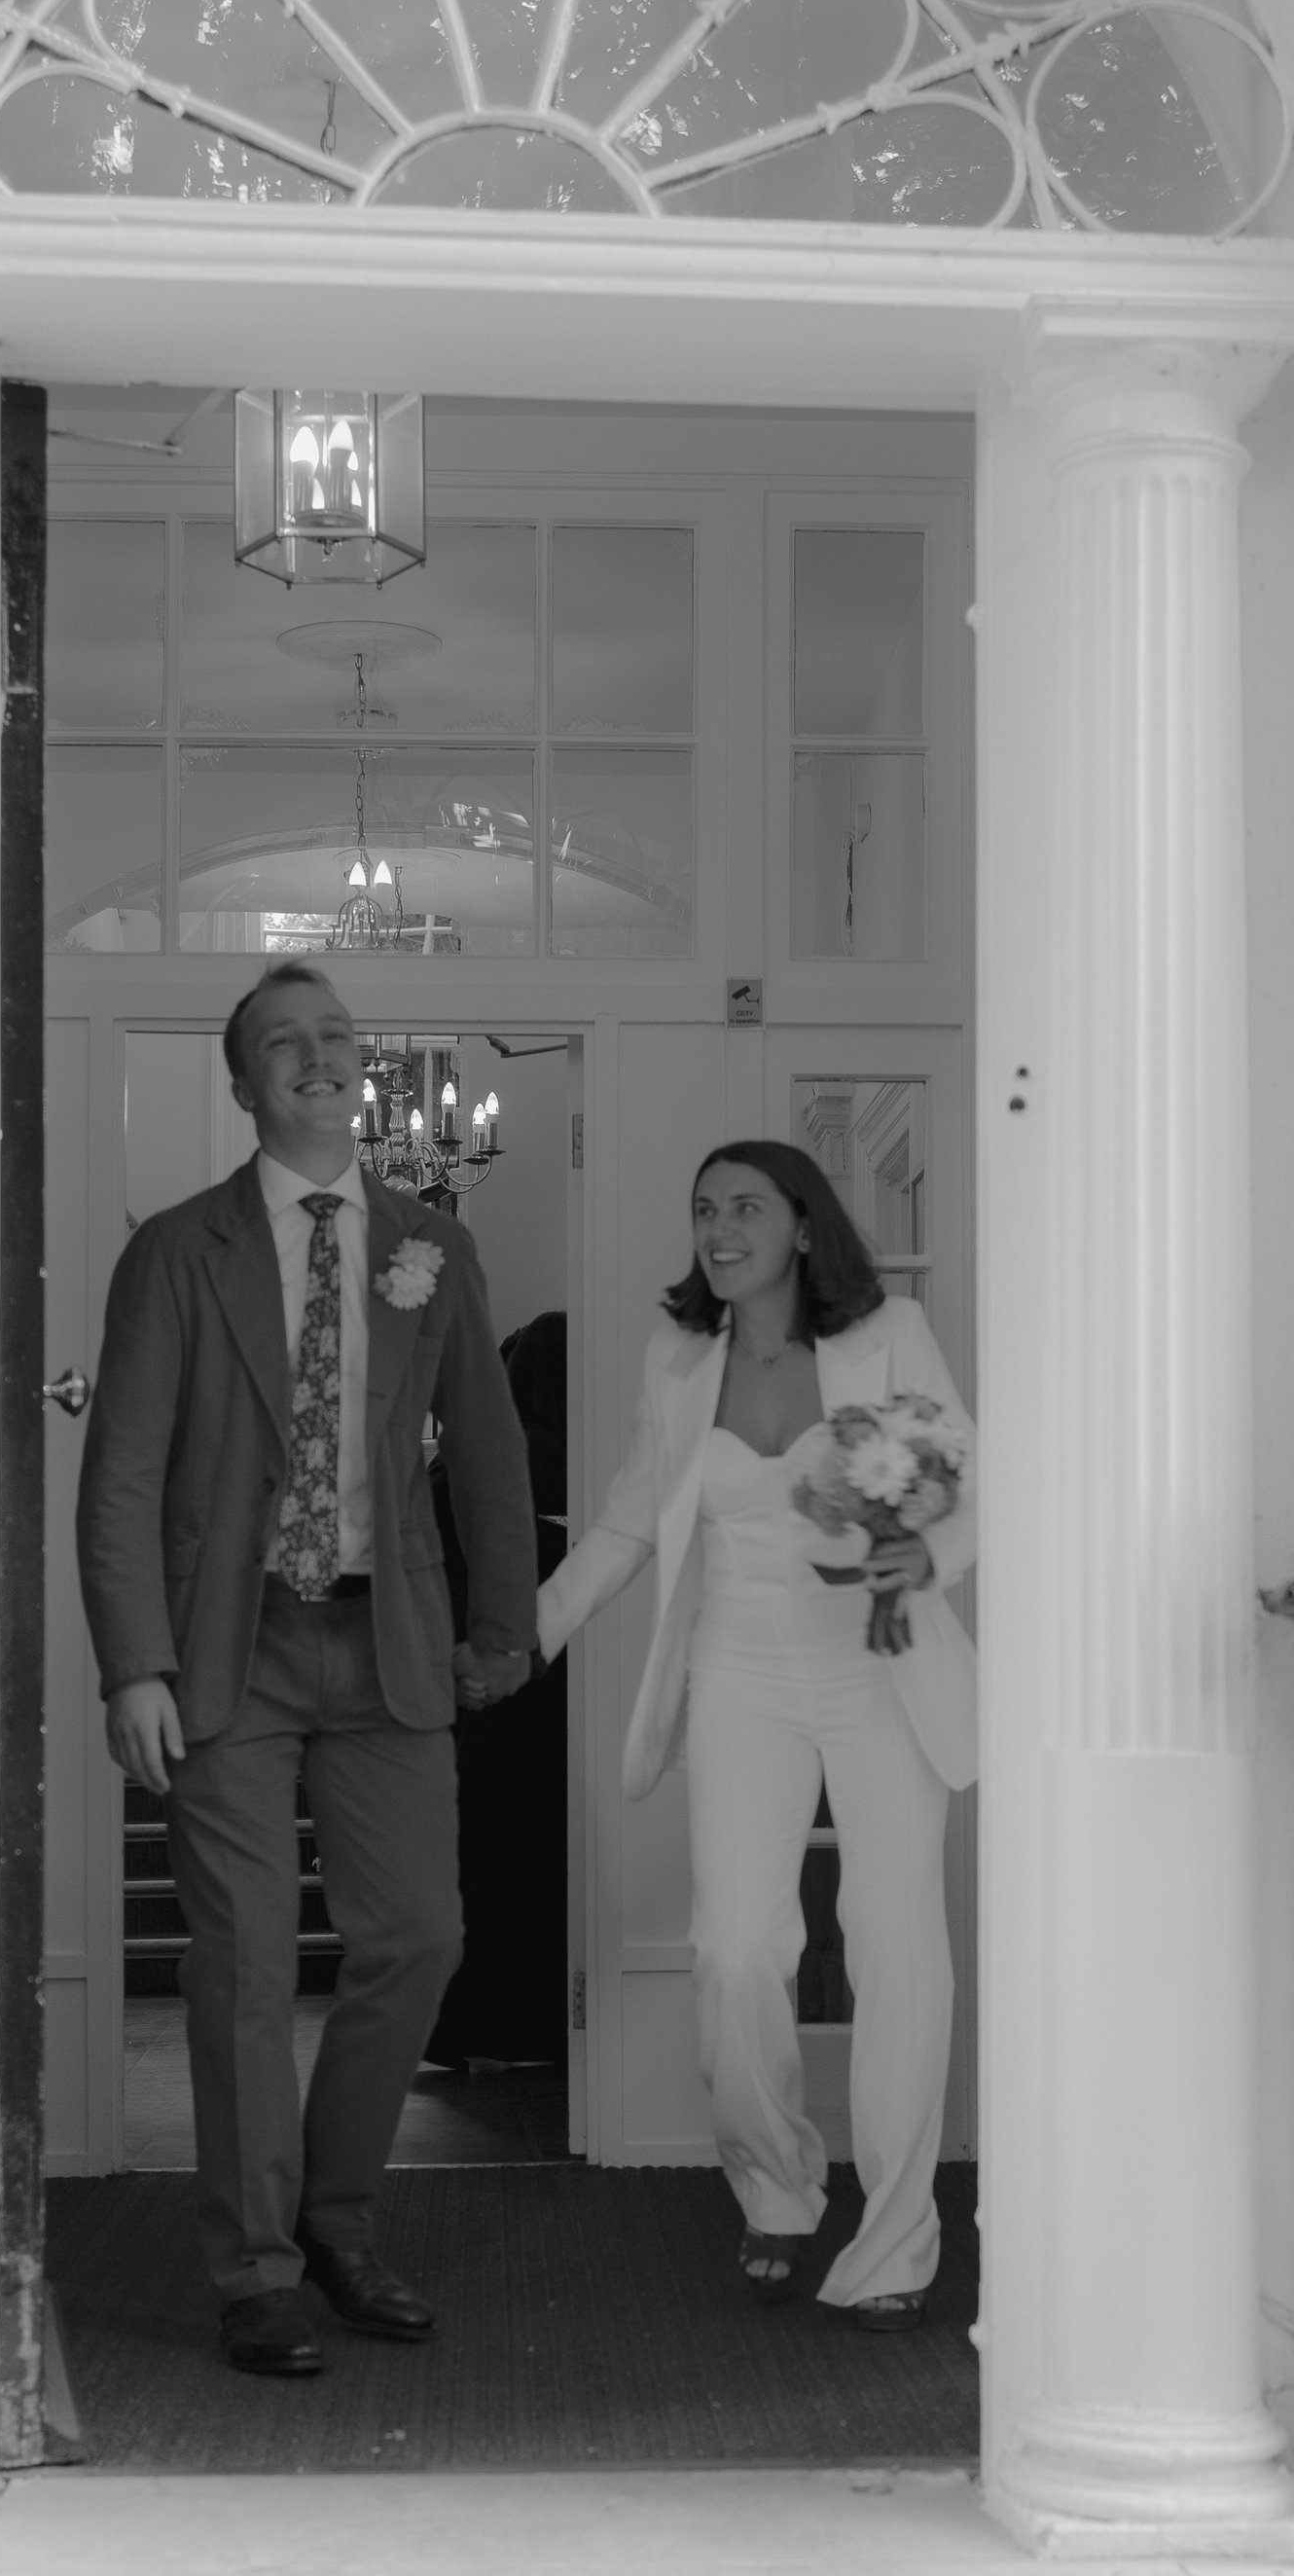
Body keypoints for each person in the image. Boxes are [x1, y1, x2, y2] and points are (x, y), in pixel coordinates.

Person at [75, 963, 537, 2379]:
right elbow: (122, 1477)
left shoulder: (430, 1247)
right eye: (285, 1043)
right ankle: (256, 2267)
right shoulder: (174, 1250)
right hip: (229, 1650)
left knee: (419, 1939)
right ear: (244, 1082)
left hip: (387, 1640)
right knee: (243, 1966)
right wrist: (132, 1665)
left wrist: (502, 1625)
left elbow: (493, 1451)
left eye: (336, 1038)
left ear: (366, 1071)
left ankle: (338, 2221)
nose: (318, 1058)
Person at [536, 1145, 976, 2328]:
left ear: (800, 1224)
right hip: (734, 1670)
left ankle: (894, 2241)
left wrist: (924, 1550)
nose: (719, 1227)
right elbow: (631, 1520)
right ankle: (777, 2187)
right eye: (703, 1210)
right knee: (734, 1946)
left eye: (745, 1207)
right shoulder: (679, 1355)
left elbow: (964, 1484)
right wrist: (525, 1634)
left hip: (877, 1667)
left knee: (893, 1943)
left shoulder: (891, 1331)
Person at [425, 1310, 571, 2072]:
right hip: (547, 1697)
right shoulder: (573, 1464)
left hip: (459, 1692)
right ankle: (538, 2029)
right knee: (539, 1863)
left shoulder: (459, 1465)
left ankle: (461, 2030)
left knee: (472, 1866)